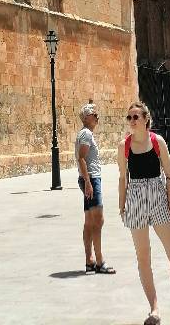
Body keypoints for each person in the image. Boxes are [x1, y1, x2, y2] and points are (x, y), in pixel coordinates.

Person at [117, 100, 170, 325]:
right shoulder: (124, 146)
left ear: (146, 119)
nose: (132, 121)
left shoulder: (158, 141)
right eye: (129, 117)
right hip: (135, 199)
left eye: (136, 117)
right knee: (143, 257)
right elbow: (122, 178)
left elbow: (169, 174)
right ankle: (154, 309)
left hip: (158, 196)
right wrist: (121, 206)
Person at [76, 102, 115, 274]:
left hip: (89, 179)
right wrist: (89, 182)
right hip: (91, 179)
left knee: (89, 221)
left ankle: (89, 260)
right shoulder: (85, 133)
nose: (97, 116)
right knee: (98, 220)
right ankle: (99, 261)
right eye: (94, 113)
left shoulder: (86, 134)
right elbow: (81, 158)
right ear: (85, 117)